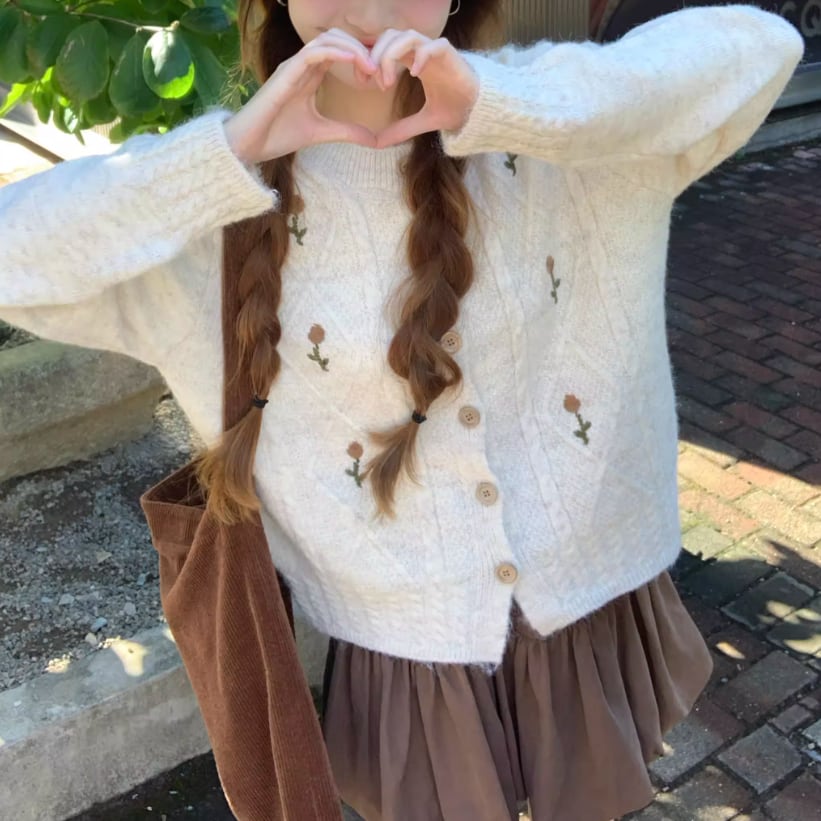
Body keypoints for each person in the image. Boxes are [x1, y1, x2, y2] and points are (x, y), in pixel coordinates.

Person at [0, 2, 804, 819]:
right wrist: (228, 153)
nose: (369, 1)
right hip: (407, 655)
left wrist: (501, 104)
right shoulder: (216, 208)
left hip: (589, 607)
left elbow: (758, 48)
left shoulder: (548, 123)